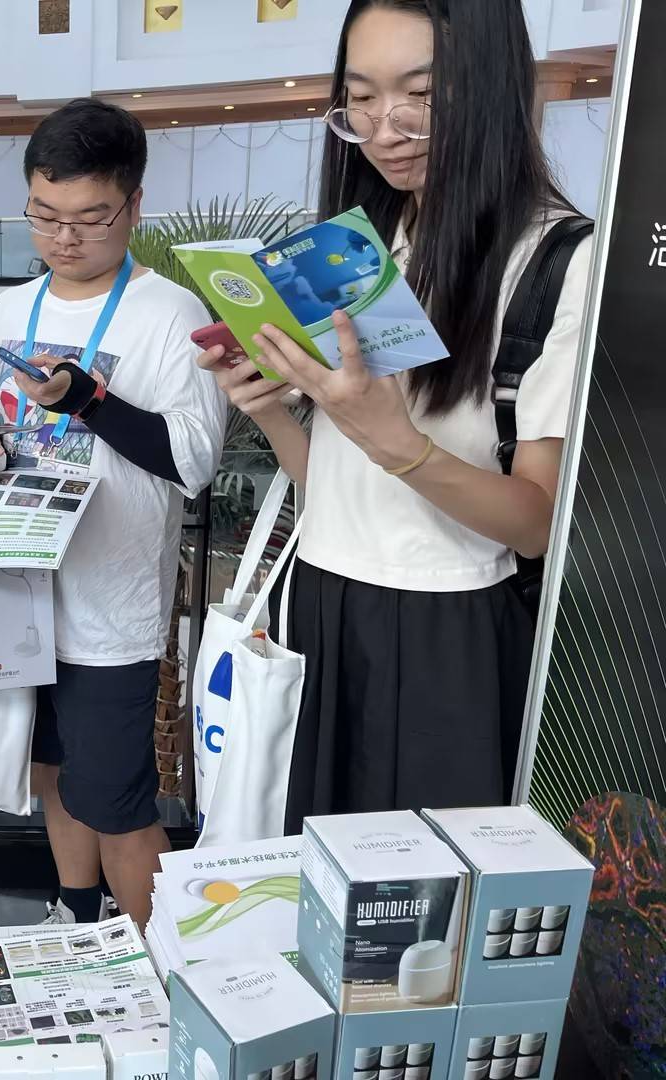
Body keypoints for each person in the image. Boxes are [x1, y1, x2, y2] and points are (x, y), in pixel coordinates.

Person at [199, 0, 592, 831]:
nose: (386, 129)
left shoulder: (559, 261)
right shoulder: (367, 244)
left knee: (425, 926)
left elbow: (535, 525)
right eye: (363, 99)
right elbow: (341, 495)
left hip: (450, 626)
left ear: (490, 87)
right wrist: (274, 413)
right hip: (329, 603)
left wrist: (400, 445)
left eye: (423, 94)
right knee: (328, 895)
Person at [0, 99, 227, 927]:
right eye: (44, 215)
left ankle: (158, 959)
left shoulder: (170, 314)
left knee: (117, 801)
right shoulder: (12, 307)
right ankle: (76, 918)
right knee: (54, 776)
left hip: (112, 611)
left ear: (134, 206)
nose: (63, 237)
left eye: (88, 218)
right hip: (19, 592)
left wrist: (90, 399)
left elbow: (193, 460)